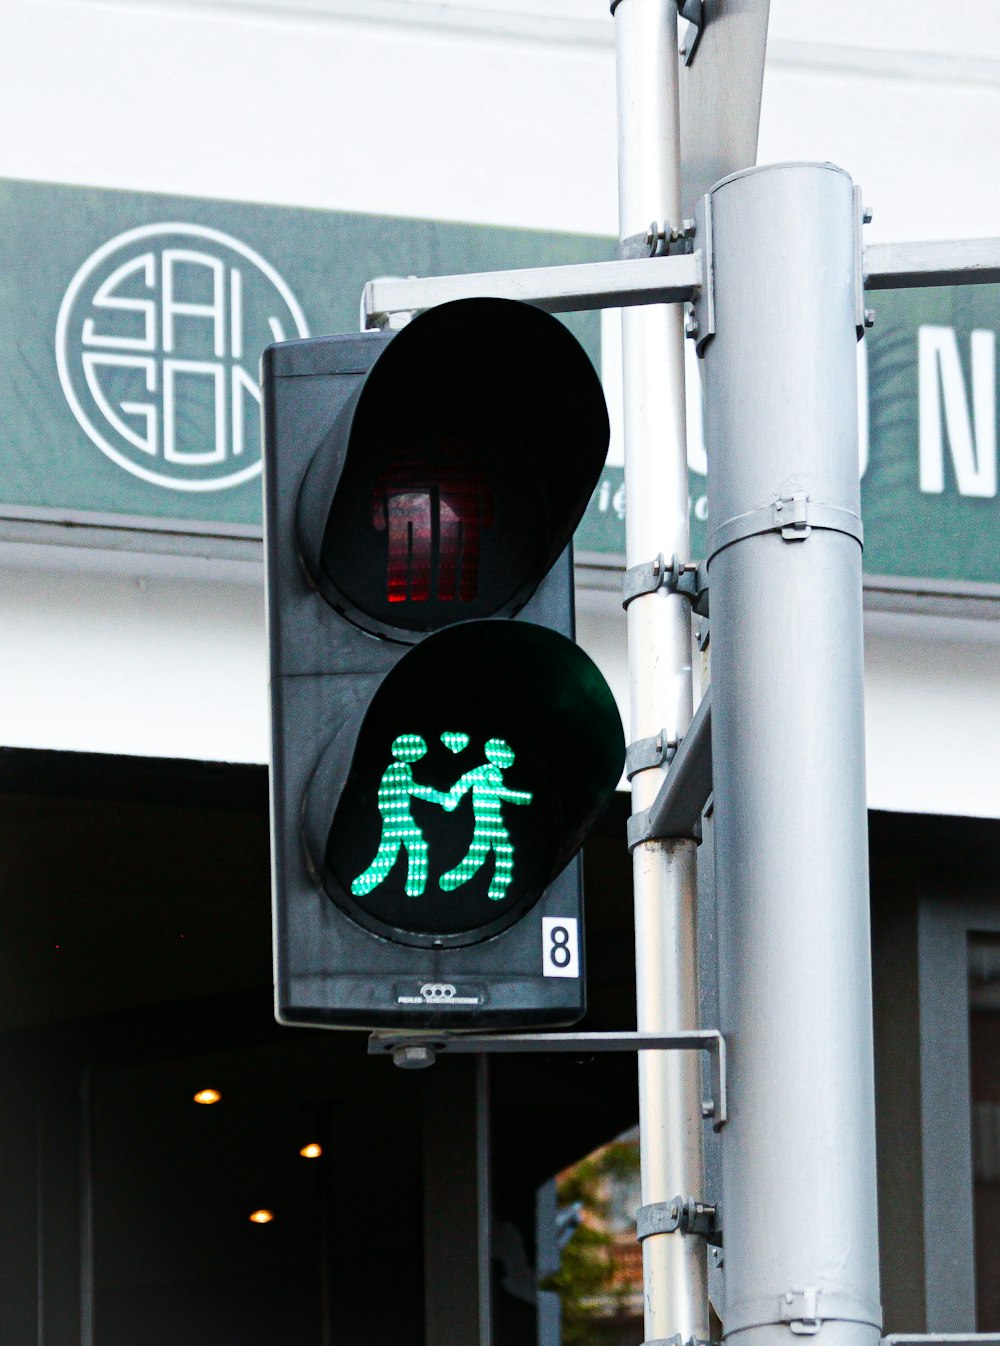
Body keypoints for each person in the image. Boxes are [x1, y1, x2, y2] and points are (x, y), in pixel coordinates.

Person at [351, 735, 451, 899]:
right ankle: (411, 889)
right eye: (418, 750)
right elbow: (414, 789)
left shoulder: (399, 768)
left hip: (396, 817)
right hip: (397, 818)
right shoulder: (398, 770)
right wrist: (441, 798)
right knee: (402, 852)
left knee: (395, 853)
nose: (421, 754)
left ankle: (368, 886)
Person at [439, 738, 532, 902]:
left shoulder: (485, 771)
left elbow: (465, 781)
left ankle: (458, 879)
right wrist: (522, 798)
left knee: (486, 852)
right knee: (494, 852)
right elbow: (501, 792)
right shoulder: (490, 772)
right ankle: (494, 886)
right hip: (489, 819)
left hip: (488, 818)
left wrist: (452, 799)